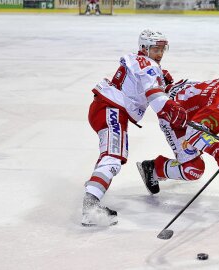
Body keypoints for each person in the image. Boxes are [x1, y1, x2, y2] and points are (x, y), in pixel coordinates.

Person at [81, 29, 187, 226]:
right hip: (111, 109)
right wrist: (173, 109)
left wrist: (163, 81)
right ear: (144, 48)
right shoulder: (148, 64)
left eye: (163, 49)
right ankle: (90, 206)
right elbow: (155, 97)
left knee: (111, 156)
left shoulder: (142, 62)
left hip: (107, 108)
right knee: (112, 157)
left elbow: (146, 83)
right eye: (156, 49)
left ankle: (94, 189)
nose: (160, 53)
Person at [137, 68, 219, 194]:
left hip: (187, 98)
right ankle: (152, 169)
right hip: (173, 116)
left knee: (199, 146)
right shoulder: (218, 106)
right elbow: (193, 133)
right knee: (193, 169)